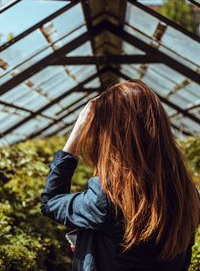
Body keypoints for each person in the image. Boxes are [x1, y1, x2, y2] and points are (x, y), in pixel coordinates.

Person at [41, 79, 200, 271]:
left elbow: (51, 201)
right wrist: (92, 247)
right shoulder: (188, 192)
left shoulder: (108, 196)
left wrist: (77, 130)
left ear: (112, 136)